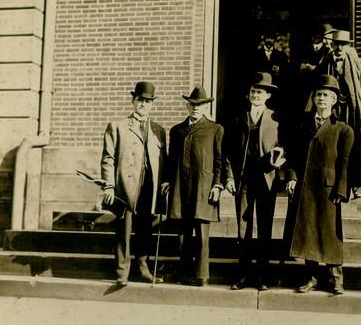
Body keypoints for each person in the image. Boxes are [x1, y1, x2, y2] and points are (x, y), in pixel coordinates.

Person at [284, 74, 354, 295]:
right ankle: (311, 278)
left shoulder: (343, 129)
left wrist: (341, 190)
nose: (322, 98)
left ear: (334, 101)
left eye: (327, 95)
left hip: (328, 189)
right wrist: (292, 177)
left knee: (330, 233)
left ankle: (336, 279)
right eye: (319, 95)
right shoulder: (301, 124)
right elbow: (292, 155)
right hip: (306, 187)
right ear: (314, 98)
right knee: (308, 231)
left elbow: (345, 163)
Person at [224, 72, 286, 291]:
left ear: (268, 95)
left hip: (266, 179)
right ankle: (243, 275)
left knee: (264, 227)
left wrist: (279, 160)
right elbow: (228, 152)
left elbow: (284, 148)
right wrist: (229, 177)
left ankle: (262, 276)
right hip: (244, 179)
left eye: (260, 92)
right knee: (243, 227)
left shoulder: (277, 119)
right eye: (253, 91)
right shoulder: (237, 118)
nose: (255, 95)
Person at [101, 81, 167, 286]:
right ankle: (122, 271)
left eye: (148, 102)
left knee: (145, 229)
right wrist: (109, 186)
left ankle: (143, 268)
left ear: (152, 105)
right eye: (140, 100)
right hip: (125, 186)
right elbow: (108, 159)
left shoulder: (158, 130)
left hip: (149, 186)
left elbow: (163, 160)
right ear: (133, 101)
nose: (144, 104)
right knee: (124, 228)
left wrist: (164, 183)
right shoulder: (118, 126)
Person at [162, 86, 224, 287]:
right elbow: (171, 160)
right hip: (181, 187)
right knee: (183, 234)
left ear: (206, 106)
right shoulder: (176, 130)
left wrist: (218, 184)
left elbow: (220, 161)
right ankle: (185, 273)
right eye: (193, 104)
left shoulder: (215, 129)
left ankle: (201, 275)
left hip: (203, 187)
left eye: (201, 105)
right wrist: (167, 180)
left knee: (202, 235)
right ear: (187, 106)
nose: (196, 108)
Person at [317, 30, 361, 197]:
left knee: (355, 146)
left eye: (343, 44)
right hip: (334, 110)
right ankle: (338, 184)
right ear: (332, 45)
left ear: (348, 46)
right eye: (337, 44)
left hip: (353, 110)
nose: (340, 47)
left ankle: (357, 185)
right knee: (334, 144)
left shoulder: (360, 64)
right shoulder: (326, 63)